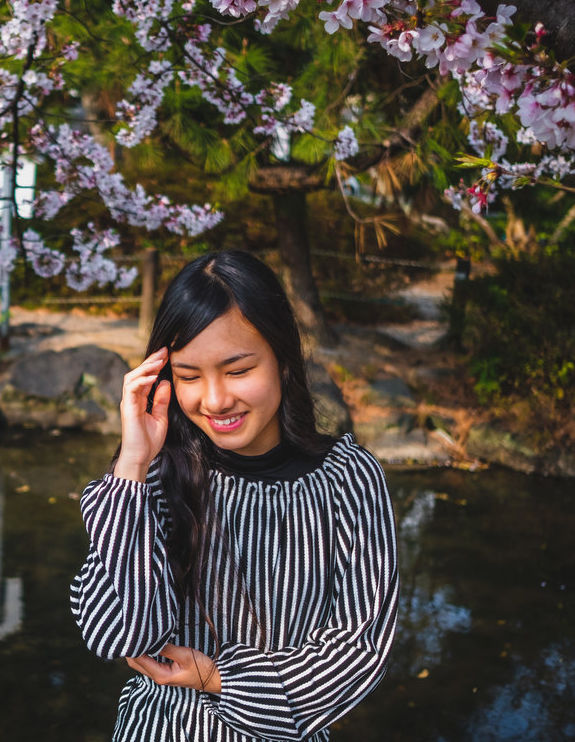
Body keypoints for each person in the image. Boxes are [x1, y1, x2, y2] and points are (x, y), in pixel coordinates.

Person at [70, 250, 398, 741]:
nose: (216, 399)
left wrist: (219, 678)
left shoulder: (348, 479)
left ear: (283, 360)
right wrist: (132, 466)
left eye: (239, 369)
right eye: (188, 376)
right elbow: (123, 635)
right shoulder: (152, 477)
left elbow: (360, 647)